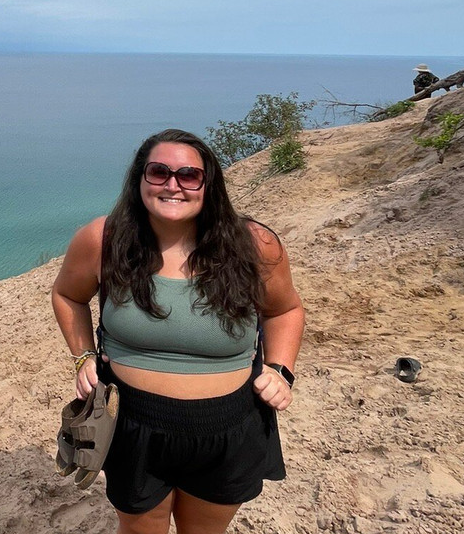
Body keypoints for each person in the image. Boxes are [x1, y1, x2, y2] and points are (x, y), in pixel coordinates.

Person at [52, 129, 304, 534]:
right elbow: (67, 295)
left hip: (230, 424)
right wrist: (82, 355)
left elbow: (285, 310)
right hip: (131, 422)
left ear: (208, 185)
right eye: (159, 172)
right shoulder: (104, 239)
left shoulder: (253, 244)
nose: (173, 185)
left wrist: (280, 369)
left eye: (189, 175)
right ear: (140, 180)